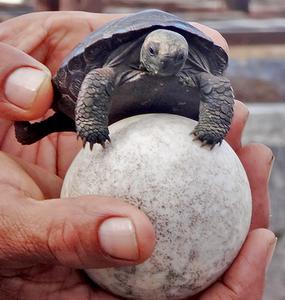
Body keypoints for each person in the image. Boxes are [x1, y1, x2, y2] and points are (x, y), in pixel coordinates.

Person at [0, 11, 276, 299]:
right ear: (146, 48)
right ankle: (37, 129)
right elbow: (95, 79)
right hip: (115, 113)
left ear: (185, 54)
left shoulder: (197, 68)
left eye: (177, 57)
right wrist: (91, 125)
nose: (166, 62)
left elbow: (217, 86)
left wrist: (213, 126)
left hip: (168, 118)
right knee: (60, 120)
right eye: (156, 53)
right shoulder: (110, 67)